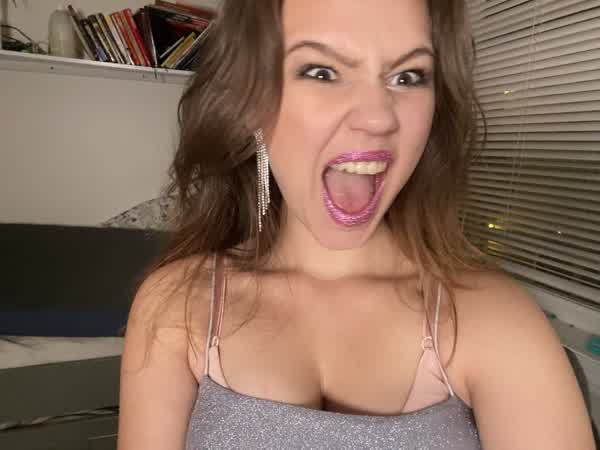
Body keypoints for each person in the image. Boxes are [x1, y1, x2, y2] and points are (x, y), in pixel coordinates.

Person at [117, 0, 596, 449]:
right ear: (249, 103)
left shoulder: (494, 316)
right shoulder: (175, 305)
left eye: (408, 76)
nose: (378, 118)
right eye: (321, 71)